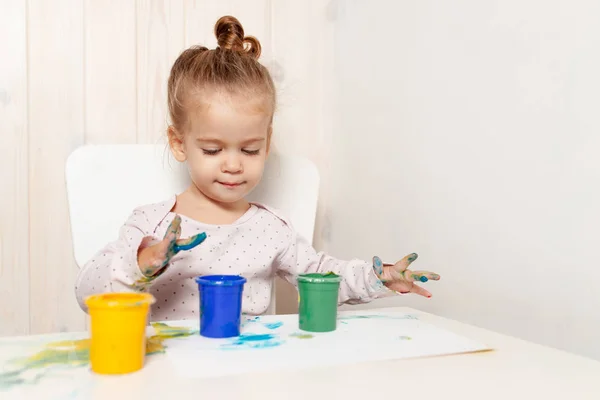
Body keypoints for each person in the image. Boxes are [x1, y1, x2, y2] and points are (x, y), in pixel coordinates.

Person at [74, 15, 440, 321]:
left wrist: (380, 277)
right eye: (213, 149)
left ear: (267, 142)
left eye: (250, 149)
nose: (233, 164)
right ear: (179, 143)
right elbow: (86, 292)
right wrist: (142, 261)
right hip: (167, 374)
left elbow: (323, 278)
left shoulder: (271, 229)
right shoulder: (151, 225)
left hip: (246, 370)